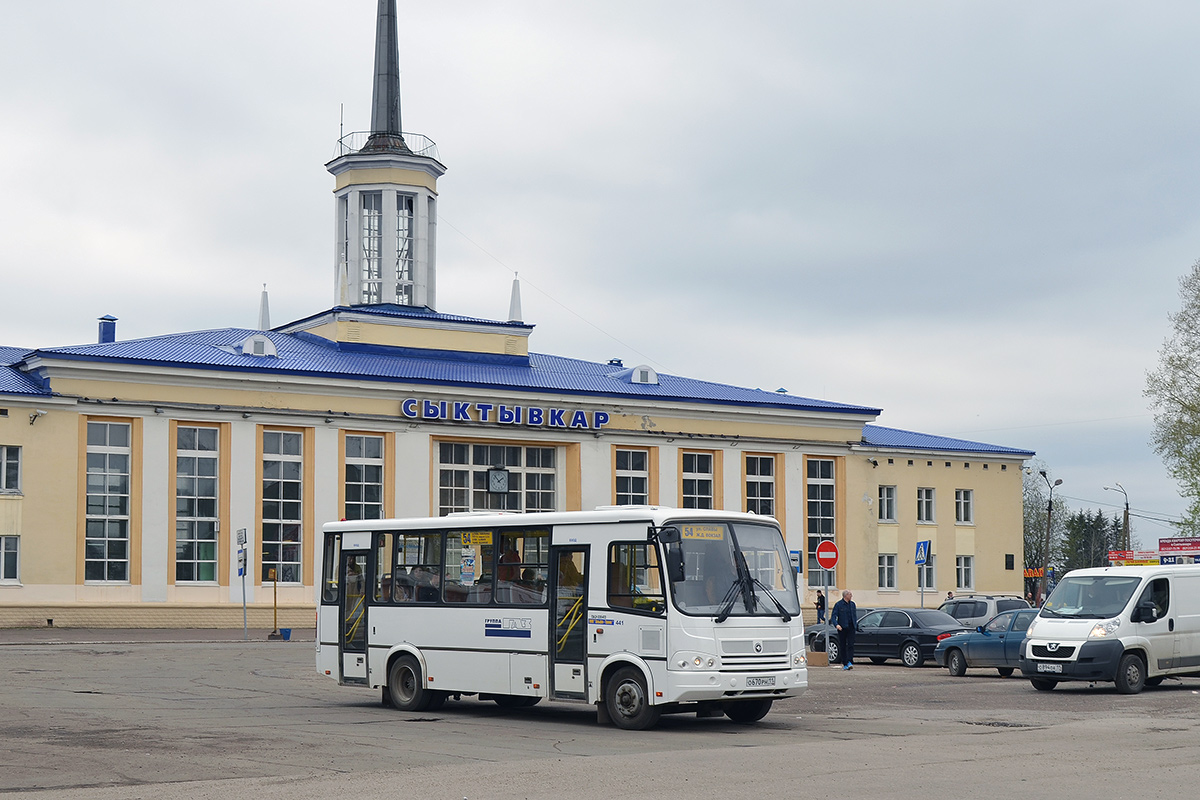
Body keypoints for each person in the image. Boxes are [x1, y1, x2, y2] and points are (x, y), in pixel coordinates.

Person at [830, 589, 858, 670]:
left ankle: (850, 661)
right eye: (850, 594)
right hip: (842, 628)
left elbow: (854, 615)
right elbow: (833, 616)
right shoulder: (839, 605)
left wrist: (855, 625)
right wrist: (837, 625)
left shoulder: (852, 604)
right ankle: (845, 663)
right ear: (846, 595)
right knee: (843, 645)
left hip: (851, 627)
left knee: (851, 645)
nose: (851, 596)